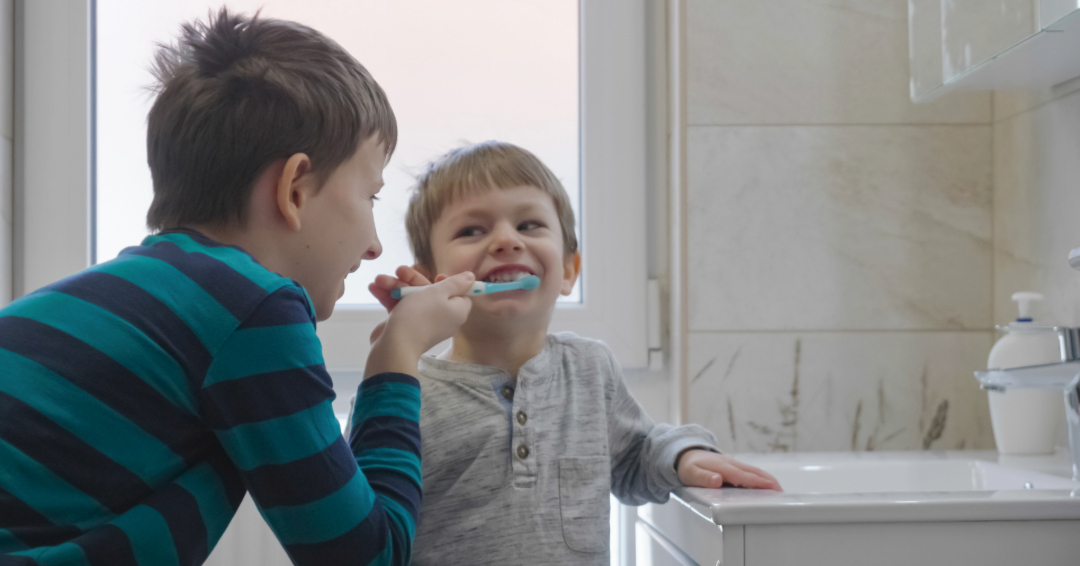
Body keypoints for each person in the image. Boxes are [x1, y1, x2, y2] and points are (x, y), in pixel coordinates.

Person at [0, 9, 473, 566]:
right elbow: (367, 556)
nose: (374, 245)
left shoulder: (138, 296)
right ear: (294, 188)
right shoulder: (253, 308)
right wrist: (397, 356)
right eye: (370, 198)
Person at [366, 141, 782, 566]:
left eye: (529, 225)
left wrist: (685, 457)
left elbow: (637, 456)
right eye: (472, 230)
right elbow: (367, 518)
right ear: (429, 279)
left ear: (568, 271)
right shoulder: (409, 393)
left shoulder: (589, 370)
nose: (506, 240)